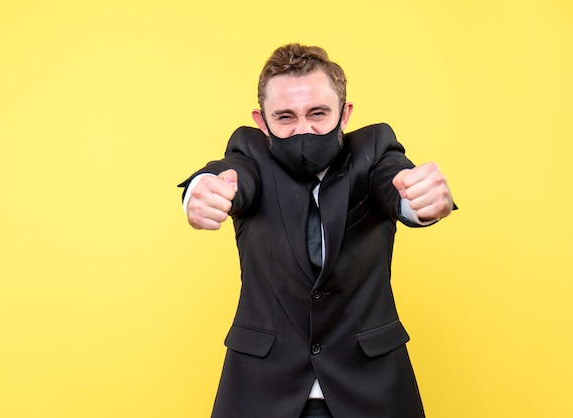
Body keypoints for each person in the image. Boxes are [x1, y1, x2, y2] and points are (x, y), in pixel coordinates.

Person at [179, 43, 455, 418]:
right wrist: (202, 190)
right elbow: (229, 174)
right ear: (262, 123)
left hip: (371, 390)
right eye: (285, 118)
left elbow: (395, 183)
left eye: (318, 113)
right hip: (262, 391)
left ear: (345, 115)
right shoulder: (251, 154)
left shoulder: (374, 150)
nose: (303, 130)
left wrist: (419, 201)